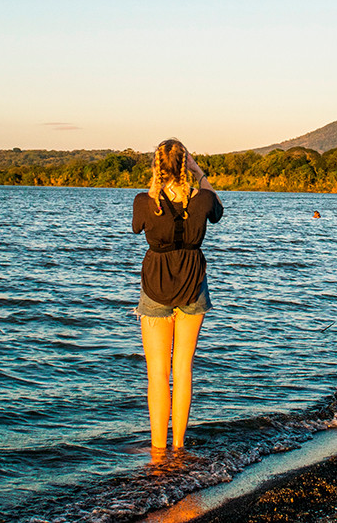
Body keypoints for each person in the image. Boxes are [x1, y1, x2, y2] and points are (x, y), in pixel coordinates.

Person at [132, 139, 223, 450]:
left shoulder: (145, 202)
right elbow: (218, 210)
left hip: (155, 286)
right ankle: (179, 447)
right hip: (193, 284)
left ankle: (158, 452)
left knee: (157, 373)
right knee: (182, 369)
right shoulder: (203, 200)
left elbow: (136, 227)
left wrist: (156, 185)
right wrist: (199, 175)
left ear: (157, 167)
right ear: (188, 165)